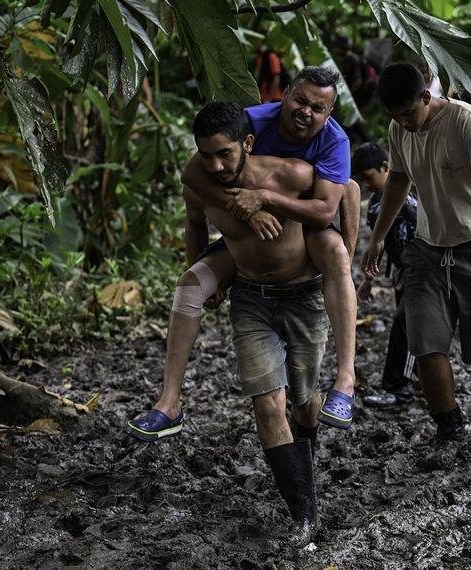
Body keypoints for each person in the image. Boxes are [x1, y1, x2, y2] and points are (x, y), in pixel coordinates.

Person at [126, 67, 361, 441]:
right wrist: (245, 210)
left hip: (304, 229)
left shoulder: (330, 146)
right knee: (190, 284)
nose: (306, 112)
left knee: (336, 251)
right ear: (284, 94)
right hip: (245, 244)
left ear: (329, 114)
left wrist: (265, 199)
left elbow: (329, 207)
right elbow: (194, 177)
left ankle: (346, 380)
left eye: (318, 108)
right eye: (300, 100)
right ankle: (169, 402)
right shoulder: (247, 122)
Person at [159, 102, 324, 545]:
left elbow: (339, 197)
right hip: (251, 299)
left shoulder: (291, 175)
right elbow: (195, 225)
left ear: (247, 144)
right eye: (206, 156)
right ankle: (304, 515)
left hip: (305, 297)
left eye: (225, 154)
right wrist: (205, 270)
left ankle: (307, 451)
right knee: (269, 405)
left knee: (305, 401)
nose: (216, 166)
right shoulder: (199, 187)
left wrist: (341, 263)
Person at [362, 63, 471, 444]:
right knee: (425, 343)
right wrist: (378, 237)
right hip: (428, 250)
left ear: (426, 97)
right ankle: (448, 426)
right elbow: (398, 181)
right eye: (395, 116)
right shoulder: (399, 128)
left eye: (408, 113)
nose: (404, 123)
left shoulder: (466, 121)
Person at [352, 142, 418, 407]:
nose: (366, 184)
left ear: (385, 168)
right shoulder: (374, 206)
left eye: (368, 177)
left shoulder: (412, 193)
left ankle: (398, 386)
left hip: (422, 269)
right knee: (410, 325)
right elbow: (379, 246)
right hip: (402, 271)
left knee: (407, 326)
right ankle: (412, 381)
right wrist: (369, 279)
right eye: (361, 180)